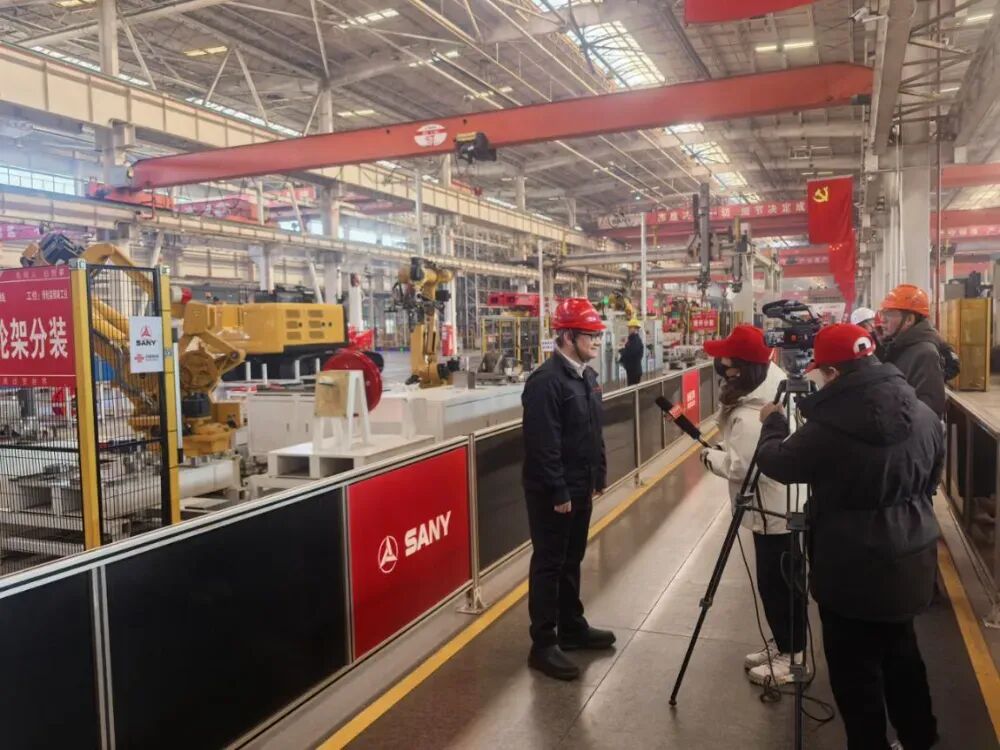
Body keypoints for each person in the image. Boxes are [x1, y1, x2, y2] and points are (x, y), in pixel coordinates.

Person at [756, 323, 943, 750]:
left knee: (855, 674)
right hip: (912, 559)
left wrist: (773, 424)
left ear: (834, 373)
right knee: (903, 654)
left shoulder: (828, 427)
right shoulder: (924, 413)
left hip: (849, 568)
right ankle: (920, 738)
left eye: (821, 372)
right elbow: (932, 477)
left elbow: (778, 463)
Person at [699, 325, 806, 686]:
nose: (723, 370)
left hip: (773, 512)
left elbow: (743, 468)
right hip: (778, 508)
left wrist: (712, 458)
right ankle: (784, 642)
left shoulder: (751, 414)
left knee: (779, 585)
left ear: (744, 368)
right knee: (777, 582)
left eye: (728, 363)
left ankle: (793, 656)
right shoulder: (768, 391)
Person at [521, 297, 615, 681]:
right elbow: (543, 443)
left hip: (580, 484)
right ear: (567, 336)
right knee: (549, 563)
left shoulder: (586, 377)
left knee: (572, 558)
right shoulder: (546, 382)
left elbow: (593, 430)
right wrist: (558, 491)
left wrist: (598, 474)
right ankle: (543, 644)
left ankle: (571, 627)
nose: (596, 341)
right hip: (553, 492)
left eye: (596, 334)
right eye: (589, 335)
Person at [879, 284, 946, 419]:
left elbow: (928, 409)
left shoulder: (925, 354)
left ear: (909, 320)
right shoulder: (899, 346)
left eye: (890, 314)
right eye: (883, 313)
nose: (883, 320)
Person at [619, 318, 645, 386]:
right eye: (629, 327)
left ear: (635, 328)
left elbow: (631, 353)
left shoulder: (635, 340)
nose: (629, 329)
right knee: (632, 388)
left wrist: (622, 351)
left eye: (630, 327)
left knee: (633, 388)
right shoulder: (632, 339)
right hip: (632, 370)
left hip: (634, 371)